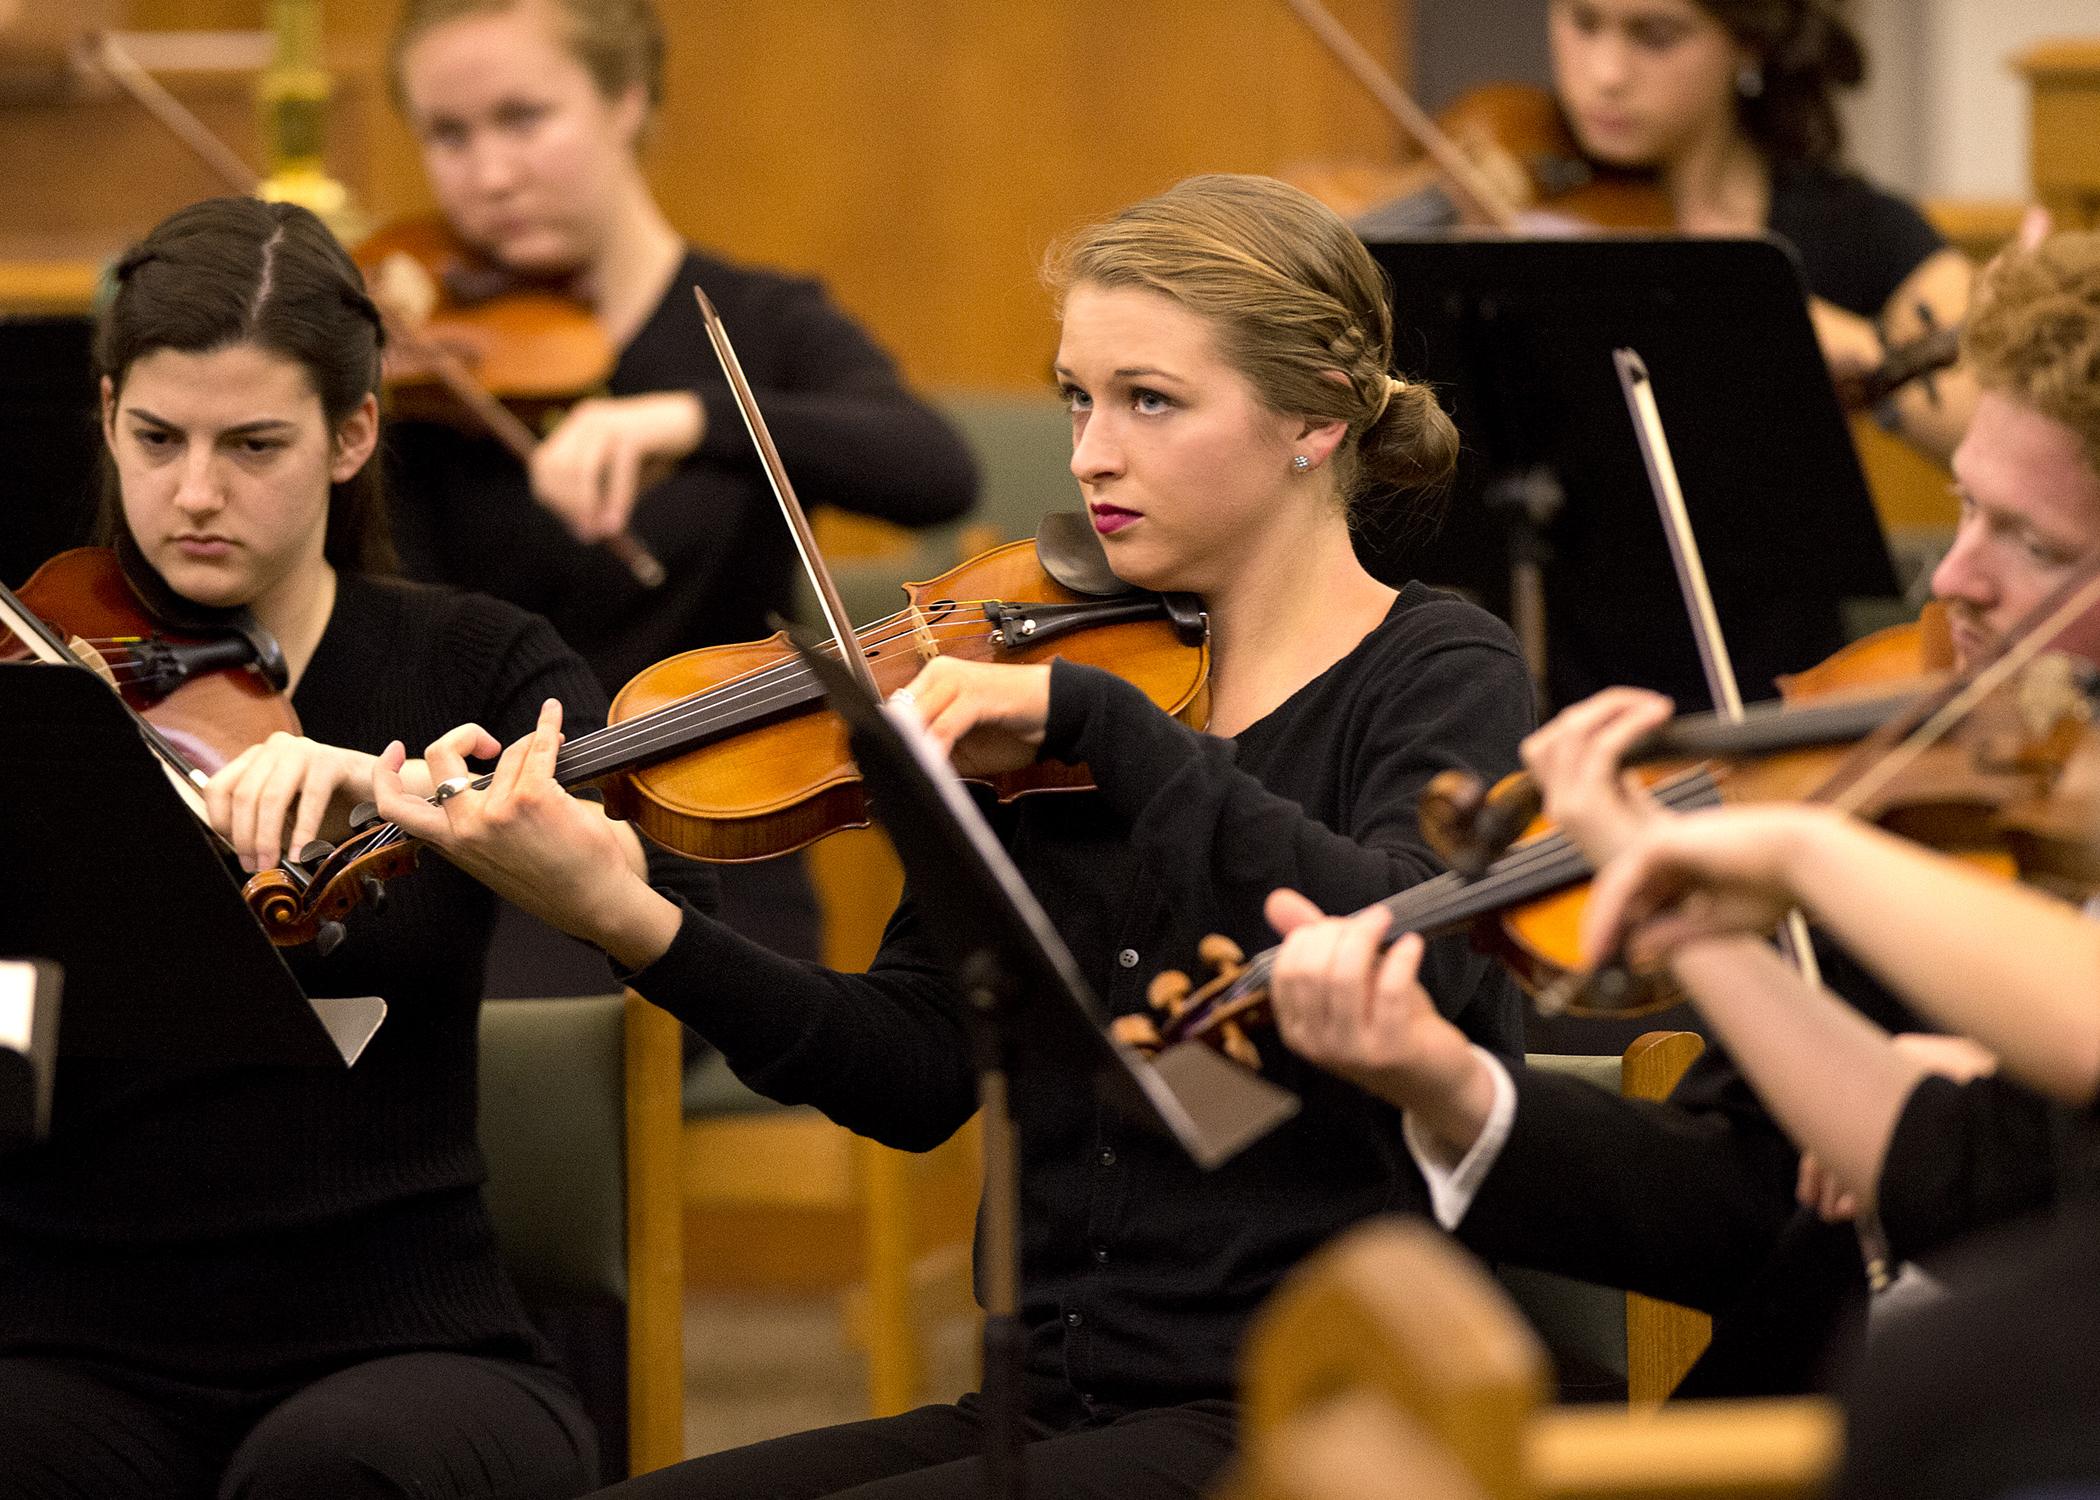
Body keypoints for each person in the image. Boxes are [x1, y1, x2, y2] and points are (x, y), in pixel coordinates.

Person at [372, 172, 1537, 1499]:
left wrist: (1108, 729)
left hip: (1315, 1416)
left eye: (1150, 400)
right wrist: (626, 918)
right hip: (1046, 1406)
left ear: (1314, 421)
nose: (1093, 453)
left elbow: (1413, 945)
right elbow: (916, 1072)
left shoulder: (1434, 670)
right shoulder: (1055, 682)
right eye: (1078, 400)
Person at [1258, 227, 2100, 1398]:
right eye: (1964, 510)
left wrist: (1803, 852)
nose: (1953, 578)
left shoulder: (1861, 847)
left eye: (2035, 542)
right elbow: (1790, 1202)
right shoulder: (1939, 794)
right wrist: (1445, 1076)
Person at [0, 196, 711, 1500]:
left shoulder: (476, 663)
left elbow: (656, 895)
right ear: (104, 414)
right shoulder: (35, 680)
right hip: (64, 1338)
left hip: (404, 1340)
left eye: (253, 444)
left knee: (334, 1473)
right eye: (155, 439)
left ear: (353, 433)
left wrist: (421, 803)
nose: (193, 492)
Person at [383, 0, 980, 967]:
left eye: (524, 118)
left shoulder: (760, 319)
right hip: (490, 848)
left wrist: (699, 417)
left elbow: (933, 468)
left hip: (721, 840)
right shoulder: (425, 372)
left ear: (627, 100)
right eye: (449, 135)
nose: (489, 175)